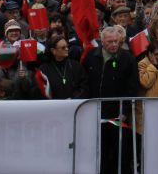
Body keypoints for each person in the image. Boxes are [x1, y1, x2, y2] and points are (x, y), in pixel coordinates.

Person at [82, 26, 138, 174]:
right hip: (96, 114)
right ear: (102, 41)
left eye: (116, 41)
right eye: (110, 41)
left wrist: (125, 111)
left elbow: (132, 88)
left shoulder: (128, 59)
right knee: (101, 153)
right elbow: (84, 83)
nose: (114, 44)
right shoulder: (90, 57)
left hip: (118, 116)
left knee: (120, 155)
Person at [37, 35, 88, 100]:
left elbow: (84, 87)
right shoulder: (44, 70)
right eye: (63, 47)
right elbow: (42, 92)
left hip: (74, 105)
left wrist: (72, 98)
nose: (67, 49)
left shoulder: (76, 66)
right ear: (53, 51)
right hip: (53, 106)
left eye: (67, 46)